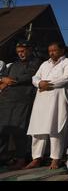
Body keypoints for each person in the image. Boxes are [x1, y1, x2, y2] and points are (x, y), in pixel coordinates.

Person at [25, 42, 68, 170]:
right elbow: (35, 77)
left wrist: (47, 84)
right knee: (38, 129)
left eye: (54, 50)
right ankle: (36, 158)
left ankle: (55, 159)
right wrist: (39, 83)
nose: (52, 53)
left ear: (62, 50)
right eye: (50, 51)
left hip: (57, 100)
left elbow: (67, 78)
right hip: (41, 100)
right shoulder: (44, 64)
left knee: (55, 129)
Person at [0, 40, 41, 170]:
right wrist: (3, 80)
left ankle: (20, 159)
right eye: (18, 52)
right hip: (6, 100)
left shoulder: (36, 62)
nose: (21, 54)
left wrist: (9, 81)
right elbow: (4, 78)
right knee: (2, 130)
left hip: (23, 100)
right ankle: (3, 157)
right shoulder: (13, 65)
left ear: (29, 50)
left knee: (19, 130)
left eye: (23, 51)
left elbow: (28, 76)